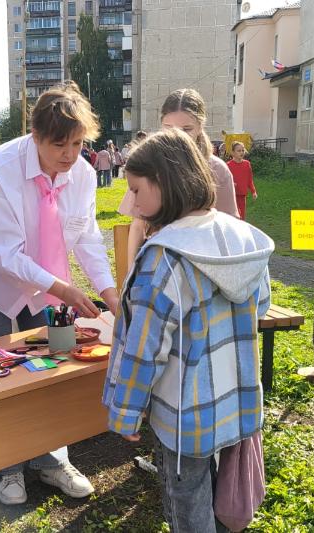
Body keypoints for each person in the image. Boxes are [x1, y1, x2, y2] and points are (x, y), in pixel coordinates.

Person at [0, 81, 119, 506]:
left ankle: (50, 458)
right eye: (59, 144)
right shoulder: (5, 163)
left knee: (48, 364)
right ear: (36, 136)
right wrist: (63, 288)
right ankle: (8, 466)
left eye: (78, 143)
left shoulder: (82, 174)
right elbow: (6, 251)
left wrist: (109, 291)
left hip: (46, 282)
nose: (69, 154)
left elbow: (86, 237)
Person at [104, 128, 273, 532]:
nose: (134, 203)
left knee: (187, 497)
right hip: (237, 399)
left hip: (184, 414)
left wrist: (125, 414)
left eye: (137, 189)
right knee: (218, 488)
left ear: (163, 183)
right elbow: (260, 303)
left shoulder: (162, 259)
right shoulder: (243, 237)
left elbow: (143, 348)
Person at [118, 89, 240, 267]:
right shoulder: (149, 165)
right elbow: (138, 225)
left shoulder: (217, 170)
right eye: (169, 128)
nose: (178, 136)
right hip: (159, 266)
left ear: (200, 126)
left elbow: (231, 230)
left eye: (187, 129)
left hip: (203, 268)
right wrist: (130, 277)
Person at [227, 141, 256, 219]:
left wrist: (253, 191)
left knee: (242, 217)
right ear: (233, 152)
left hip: (243, 195)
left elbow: (250, 179)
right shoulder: (228, 165)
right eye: (239, 151)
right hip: (232, 195)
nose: (241, 152)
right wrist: (231, 184)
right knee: (233, 216)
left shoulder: (247, 164)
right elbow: (225, 181)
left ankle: (240, 229)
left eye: (243, 150)